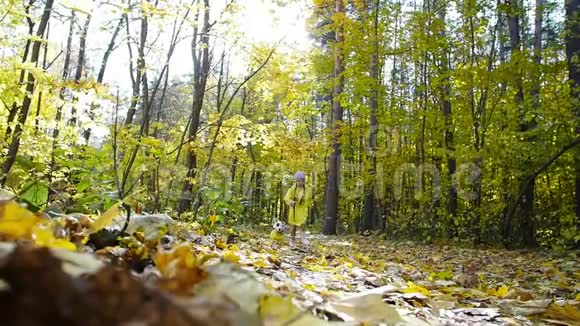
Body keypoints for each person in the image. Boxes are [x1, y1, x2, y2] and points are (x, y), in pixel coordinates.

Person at [284, 171, 312, 246]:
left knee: (302, 225)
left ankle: (303, 239)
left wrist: (305, 202)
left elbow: (309, 199)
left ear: (304, 181)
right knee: (293, 226)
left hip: (302, 210)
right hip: (294, 210)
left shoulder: (307, 190)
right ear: (296, 181)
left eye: (302, 181)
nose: (300, 182)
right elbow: (287, 198)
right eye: (299, 181)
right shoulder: (292, 189)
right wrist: (290, 202)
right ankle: (292, 239)